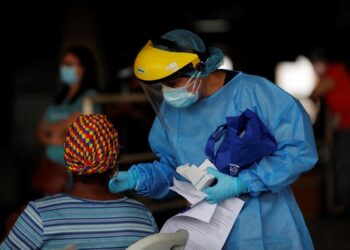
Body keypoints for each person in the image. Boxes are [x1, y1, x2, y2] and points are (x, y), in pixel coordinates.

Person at [109, 29, 318, 249]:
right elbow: (173, 171)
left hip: (268, 226)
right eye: (163, 85)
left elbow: (299, 151)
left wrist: (243, 182)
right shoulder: (171, 112)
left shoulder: (256, 93)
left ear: (200, 70)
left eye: (173, 83)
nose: (168, 92)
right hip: (207, 234)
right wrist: (138, 178)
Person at [1, 114, 158, 249]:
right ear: (114, 161)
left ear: (68, 159)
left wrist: (11, 228)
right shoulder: (143, 216)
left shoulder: (37, 216)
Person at [31, 46, 102, 195]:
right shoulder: (59, 97)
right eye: (63, 64)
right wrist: (54, 135)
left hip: (75, 170)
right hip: (51, 166)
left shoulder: (90, 97)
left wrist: (49, 129)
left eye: (70, 64)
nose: (64, 68)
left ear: (83, 68)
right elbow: (40, 129)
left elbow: (76, 127)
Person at [310, 50, 350, 212]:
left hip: (346, 127)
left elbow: (317, 92)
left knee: (342, 163)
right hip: (341, 127)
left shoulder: (335, 70)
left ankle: (343, 202)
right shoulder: (329, 74)